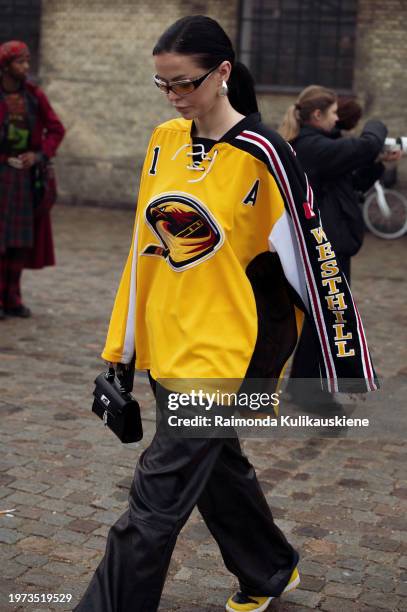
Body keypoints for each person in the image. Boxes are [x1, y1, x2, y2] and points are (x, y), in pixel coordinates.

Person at [75, 17, 377, 612]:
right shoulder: (163, 139)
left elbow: (313, 259)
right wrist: (123, 349)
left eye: (184, 83)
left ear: (222, 73)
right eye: (163, 85)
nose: (174, 96)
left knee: (153, 504)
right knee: (218, 472)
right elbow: (142, 252)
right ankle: (270, 568)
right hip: (168, 340)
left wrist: (342, 359)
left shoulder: (266, 155)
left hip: (224, 357)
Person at [279, 86, 391, 411]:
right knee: (327, 319)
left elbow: (353, 182)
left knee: (323, 318)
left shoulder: (323, 147)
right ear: (317, 116)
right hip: (323, 246)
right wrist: (377, 129)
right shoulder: (312, 147)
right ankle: (310, 392)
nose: (337, 119)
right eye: (332, 114)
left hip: (332, 243)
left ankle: (302, 387)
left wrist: (378, 162)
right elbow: (365, 144)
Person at [0, 40, 65, 319]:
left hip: (25, 179)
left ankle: (12, 298)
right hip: (1, 173)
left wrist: (38, 155)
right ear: (5, 66)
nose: (26, 67)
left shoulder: (33, 96)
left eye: (27, 61)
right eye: (20, 62)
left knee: (19, 242)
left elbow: (56, 129)